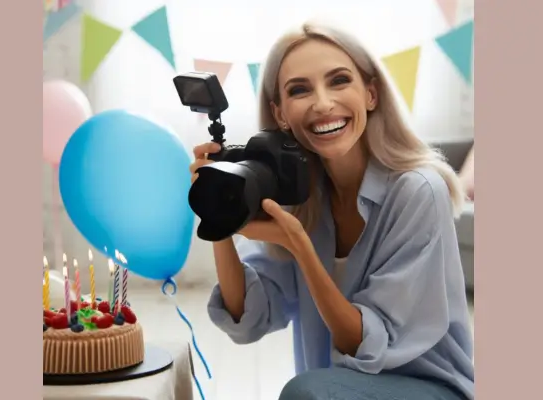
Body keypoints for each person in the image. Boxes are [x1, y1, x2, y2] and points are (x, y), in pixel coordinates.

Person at [189, 21, 474, 400]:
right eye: (299, 89)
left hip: (431, 389)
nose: (323, 103)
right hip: (340, 391)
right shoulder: (298, 196)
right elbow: (248, 319)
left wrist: (299, 245)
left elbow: (364, 345)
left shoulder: (417, 191)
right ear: (281, 115)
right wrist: (218, 208)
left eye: (339, 81)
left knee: (306, 392)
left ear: (371, 94)